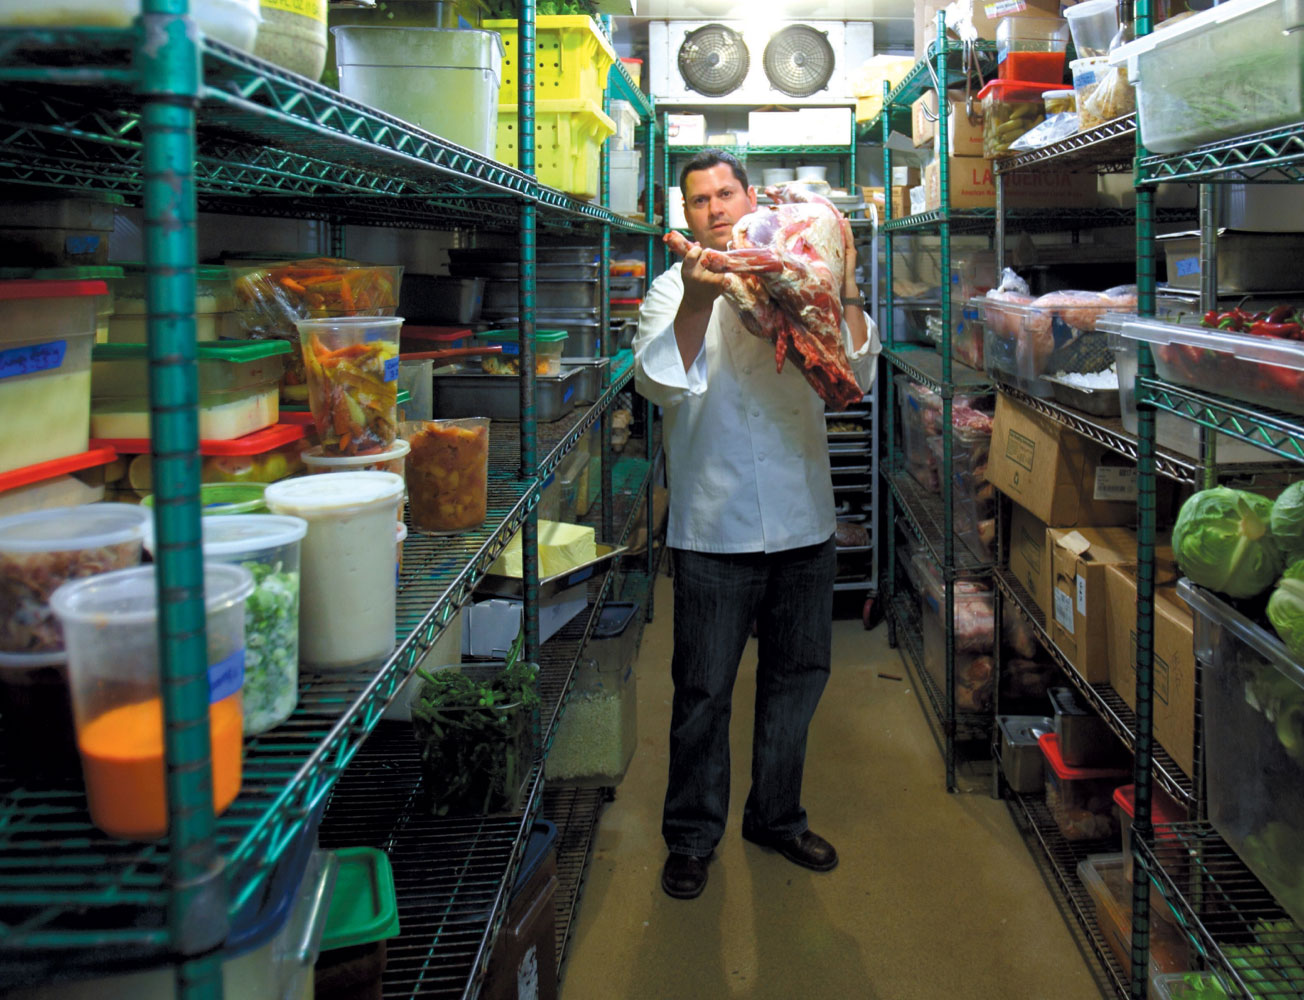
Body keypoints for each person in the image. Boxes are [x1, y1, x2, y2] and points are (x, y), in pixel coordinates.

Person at [634, 149, 880, 900]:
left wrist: (844, 286)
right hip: (714, 528)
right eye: (699, 199)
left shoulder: (798, 269)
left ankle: (776, 817)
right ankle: (691, 837)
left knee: (796, 680)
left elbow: (859, 372)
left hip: (804, 522)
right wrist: (702, 303)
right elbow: (654, 383)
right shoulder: (671, 287)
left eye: (725, 192)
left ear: (749, 197)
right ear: (686, 216)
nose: (715, 207)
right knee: (703, 690)